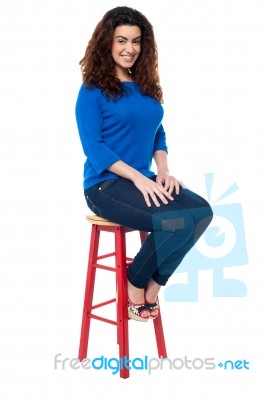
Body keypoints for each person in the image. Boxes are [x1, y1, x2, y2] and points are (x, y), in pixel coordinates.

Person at [75, 6, 213, 322]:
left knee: (202, 213)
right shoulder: (91, 91)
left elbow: (157, 133)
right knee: (175, 220)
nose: (129, 49)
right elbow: (94, 148)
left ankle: (152, 286)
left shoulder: (146, 86)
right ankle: (135, 285)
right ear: (106, 43)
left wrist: (162, 172)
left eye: (136, 41)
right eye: (122, 40)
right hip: (104, 184)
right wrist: (139, 177)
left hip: (145, 178)